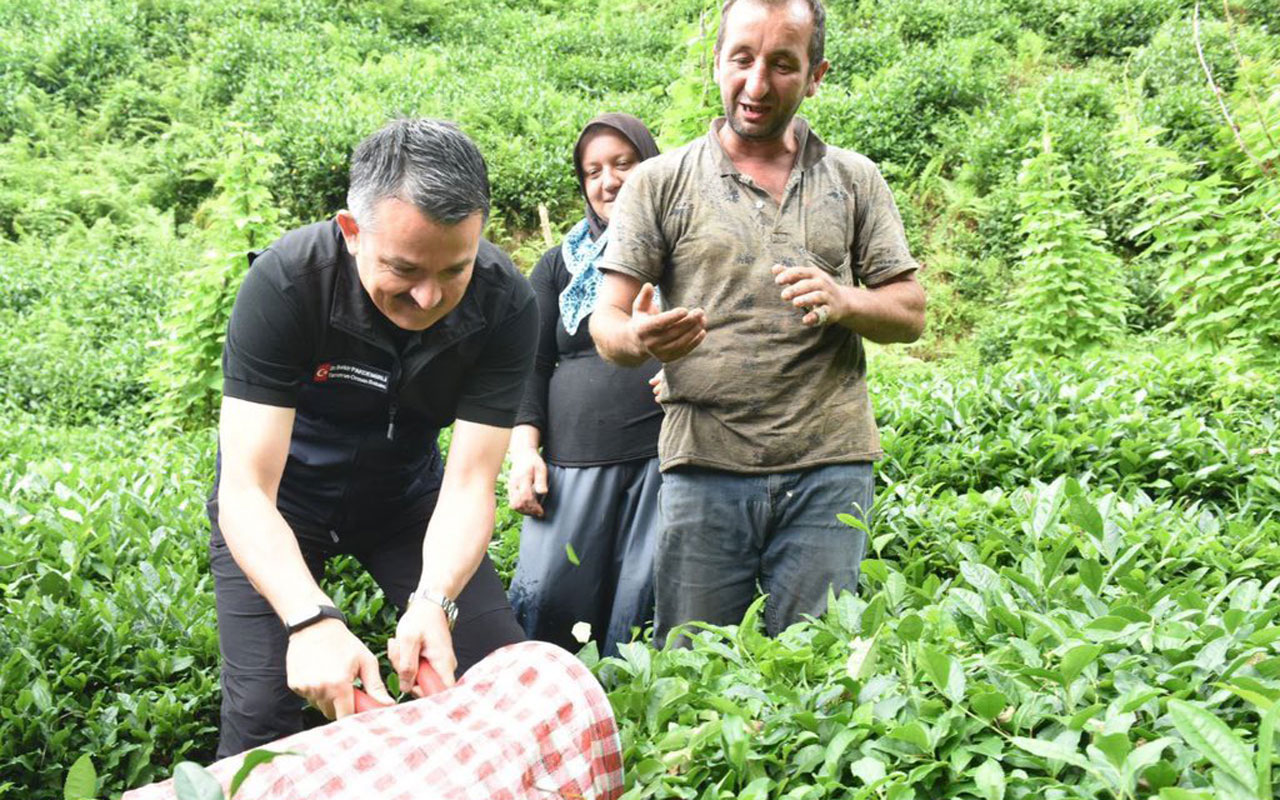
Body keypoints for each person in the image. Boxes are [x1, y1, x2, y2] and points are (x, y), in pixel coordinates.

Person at [589, 0, 926, 646]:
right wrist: (637, 338)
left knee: (817, 675)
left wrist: (845, 300)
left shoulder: (855, 180)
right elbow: (606, 322)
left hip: (830, 467)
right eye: (741, 59)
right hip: (704, 467)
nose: (756, 83)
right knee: (694, 670)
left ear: (816, 75)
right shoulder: (658, 184)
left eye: (782, 64)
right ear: (716, 60)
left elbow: (909, 311)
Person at [209, 118, 537, 756]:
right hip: (285, 505)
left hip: (404, 502)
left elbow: (471, 479)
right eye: (404, 267)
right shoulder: (288, 283)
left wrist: (435, 600)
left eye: (455, 270)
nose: (428, 295)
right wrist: (310, 617)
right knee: (262, 717)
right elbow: (245, 489)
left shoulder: (505, 304)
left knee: (492, 676)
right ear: (351, 232)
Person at [506, 114, 663, 657]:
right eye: (593, 171)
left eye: (623, 164)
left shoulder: (685, 251)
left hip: (660, 468)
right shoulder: (557, 265)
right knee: (547, 604)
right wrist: (525, 452)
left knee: (640, 613)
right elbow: (529, 364)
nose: (608, 182)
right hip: (570, 473)